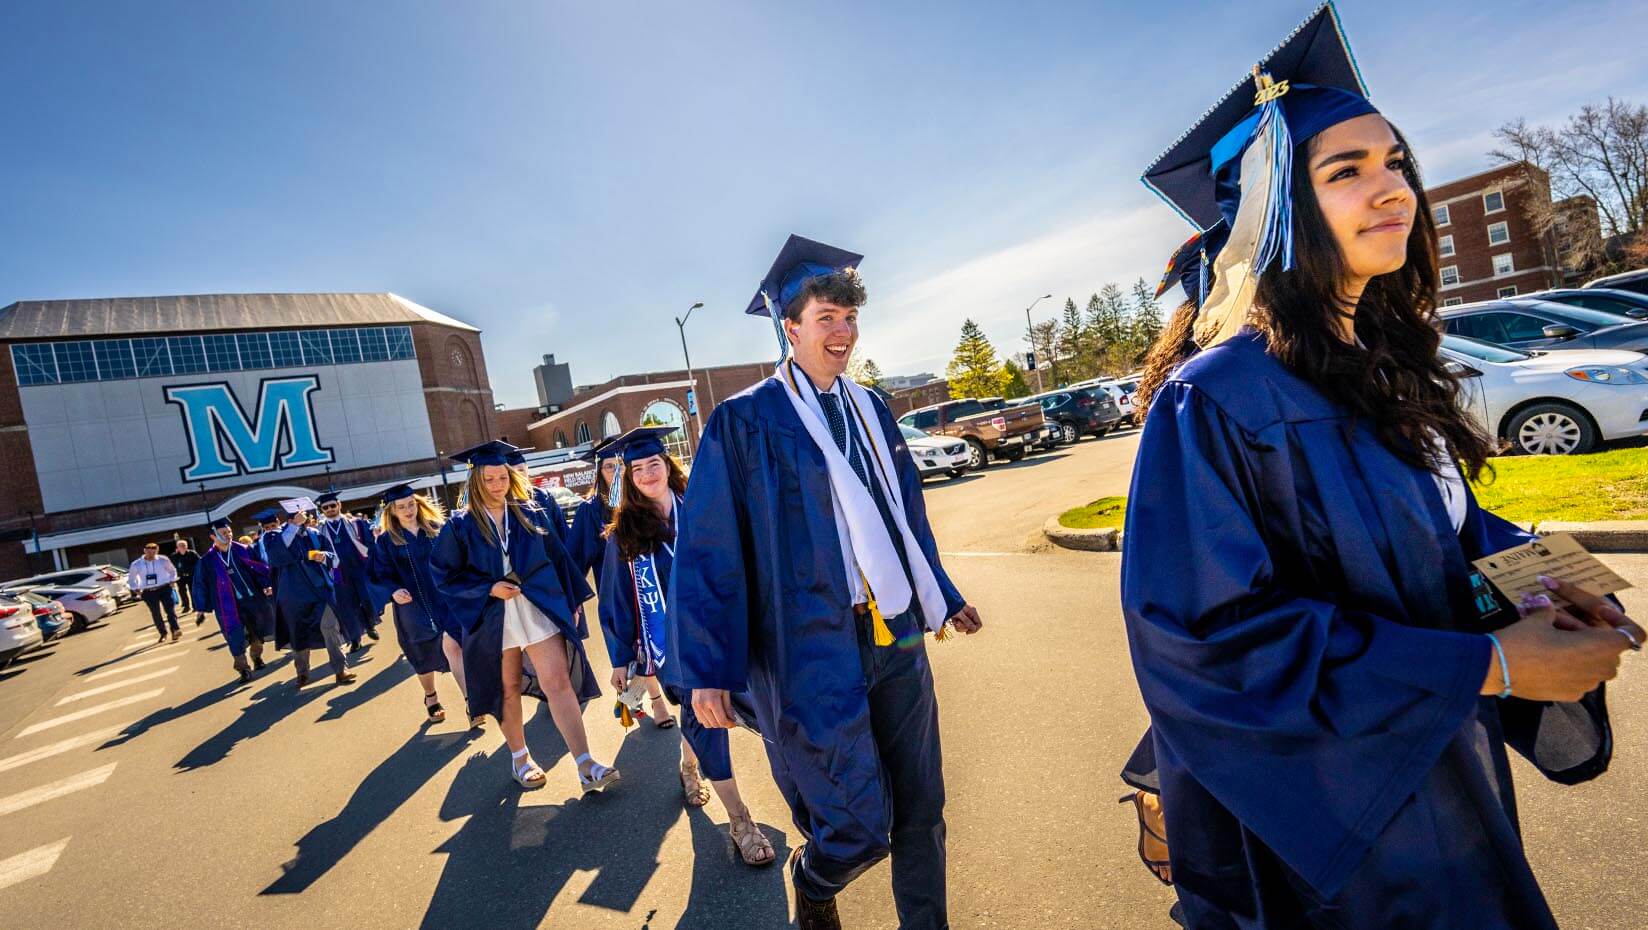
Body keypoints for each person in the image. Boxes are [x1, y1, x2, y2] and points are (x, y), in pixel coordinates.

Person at [1118, 6, 1643, 927]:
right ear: (1278, 207)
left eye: (1395, 160)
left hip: (1437, 755)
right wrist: (1488, 665)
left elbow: (1436, 533)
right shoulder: (1219, 399)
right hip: (1335, 818)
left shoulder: (1379, 363)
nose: (1392, 187)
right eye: (1345, 170)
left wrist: (1548, 575)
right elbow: (1210, 641)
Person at [669, 235, 983, 930]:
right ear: (791, 327)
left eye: (849, 319)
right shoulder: (744, 421)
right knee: (856, 824)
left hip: (893, 629)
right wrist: (708, 672)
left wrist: (944, 595)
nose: (842, 333)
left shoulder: (871, 409)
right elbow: (710, 552)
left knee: (923, 807)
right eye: (826, 319)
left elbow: (905, 519)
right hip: (808, 643)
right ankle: (815, 877)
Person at [597, 427, 775, 865]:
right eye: (636, 469)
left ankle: (688, 763)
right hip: (672, 650)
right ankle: (740, 820)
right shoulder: (625, 535)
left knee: (752, 709)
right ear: (629, 479)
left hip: (724, 636)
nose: (646, 474)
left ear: (668, 465)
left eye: (653, 464)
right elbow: (617, 599)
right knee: (705, 721)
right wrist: (621, 658)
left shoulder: (701, 510)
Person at [429, 440, 617, 792]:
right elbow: (443, 574)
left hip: (536, 608)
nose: (497, 484)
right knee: (508, 687)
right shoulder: (459, 526)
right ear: (475, 481)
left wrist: (572, 600)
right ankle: (520, 758)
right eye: (489, 479)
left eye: (502, 477)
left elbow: (559, 558)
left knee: (558, 683)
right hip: (494, 617)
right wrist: (487, 589)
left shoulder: (530, 513)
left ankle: (585, 763)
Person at [367, 483, 478, 728]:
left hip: (444, 601)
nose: (408, 510)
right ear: (392, 512)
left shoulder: (437, 530)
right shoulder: (386, 542)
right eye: (401, 507)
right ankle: (431, 696)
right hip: (412, 606)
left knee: (455, 648)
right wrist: (392, 591)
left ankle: (472, 704)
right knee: (422, 655)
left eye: (411, 504)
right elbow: (378, 575)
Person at [265, 498, 356, 688]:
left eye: (305, 518)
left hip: (320, 592)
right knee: (299, 634)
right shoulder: (274, 536)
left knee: (330, 628)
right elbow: (275, 557)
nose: (304, 522)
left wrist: (325, 557)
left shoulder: (315, 535)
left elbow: (335, 560)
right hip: (293, 596)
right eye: (299, 519)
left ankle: (341, 669)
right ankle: (303, 672)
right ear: (289, 520)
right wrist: (292, 528)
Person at [192, 517, 277, 683]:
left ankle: (256, 656)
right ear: (213, 536)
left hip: (252, 599)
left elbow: (260, 569)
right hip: (227, 605)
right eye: (223, 533)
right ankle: (243, 669)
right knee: (234, 635)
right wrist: (201, 607)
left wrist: (266, 584)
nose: (228, 535)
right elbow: (200, 584)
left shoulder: (243, 550)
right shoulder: (207, 560)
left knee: (257, 633)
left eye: (229, 531)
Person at [317, 491, 381, 651]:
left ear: (339, 505)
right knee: (346, 604)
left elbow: (370, 544)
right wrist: (318, 557)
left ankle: (370, 624)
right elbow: (312, 552)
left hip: (359, 567)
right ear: (322, 510)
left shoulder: (356, 523)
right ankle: (355, 638)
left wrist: (373, 564)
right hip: (337, 571)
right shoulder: (318, 531)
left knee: (366, 598)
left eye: (333, 505)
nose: (330, 509)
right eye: (326, 507)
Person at [566, 439, 619, 588]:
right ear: (599, 472)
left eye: (621, 464)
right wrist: (572, 599)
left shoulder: (642, 501)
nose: (617, 472)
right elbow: (575, 558)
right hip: (613, 591)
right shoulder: (590, 510)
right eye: (609, 466)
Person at [506, 447, 569, 541]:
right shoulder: (504, 503)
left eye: (520, 470)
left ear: (527, 469)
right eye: (512, 472)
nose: (518, 476)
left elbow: (563, 531)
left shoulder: (544, 497)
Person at [129, 541, 182, 643]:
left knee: (170, 611)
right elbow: (131, 578)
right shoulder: (136, 564)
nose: (151, 555)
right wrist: (136, 589)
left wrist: (172, 580)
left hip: (164, 588)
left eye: (154, 552)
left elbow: (172, 571)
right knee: (156, 613)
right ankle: (163, 633)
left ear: (157, 551)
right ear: (145, 551)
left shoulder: (163, 560)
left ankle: (175, 630)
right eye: (149, 552)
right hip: (148, 592)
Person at [172, 538, 201, 618]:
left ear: (186, 546)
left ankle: (195, 606)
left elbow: (199, 562)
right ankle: (186, 606)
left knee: (193, 591)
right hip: (180, 577)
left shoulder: (192, 553)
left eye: (184, 545)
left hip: (191, 575)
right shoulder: (175, 556)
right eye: (180, 546)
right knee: (182, 591)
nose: (182, 547)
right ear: (177, 547)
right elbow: (172, 567)